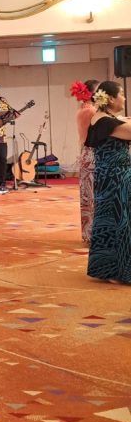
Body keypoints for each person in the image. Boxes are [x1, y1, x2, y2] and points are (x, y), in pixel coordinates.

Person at [85, 80, 131, 284]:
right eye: (122, 94)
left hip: (114, 175)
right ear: (110, 98)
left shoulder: (107, 118)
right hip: (114, 177)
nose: (125, 98)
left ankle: (109, 269)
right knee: (118, 221)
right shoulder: (105, 122)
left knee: (113, 220)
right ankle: (118, 270)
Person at [70, 79, 98, 243]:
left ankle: (89, 235)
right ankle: (93, 236)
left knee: (89, 198)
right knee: (93, 198)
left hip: (87, 154)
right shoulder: (92, 111)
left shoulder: (84, 109)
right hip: (93, 155)